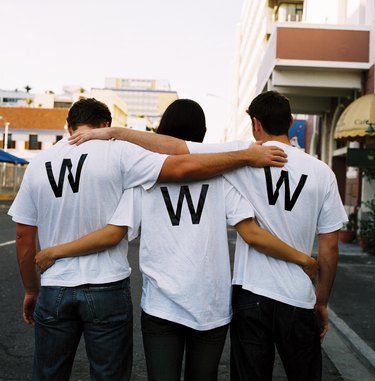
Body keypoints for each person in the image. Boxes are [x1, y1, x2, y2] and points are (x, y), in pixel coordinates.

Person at [68, 91, 348, 381]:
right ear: (290, 121)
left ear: (255, 124)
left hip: (198, 299)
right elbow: (308, 243)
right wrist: (315, 284)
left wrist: (114, 133)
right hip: (238, 302)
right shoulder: (303, 172)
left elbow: (174, 152)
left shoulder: (213, 164)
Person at [8, 97, 287, 381]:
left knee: (49, 373)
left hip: (125, 297)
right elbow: (184, 167)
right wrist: (302, 259)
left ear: (69, 127)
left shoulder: (42, 164)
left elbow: (26, 235)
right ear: (104, 124)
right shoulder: (134, 159)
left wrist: (39, 278)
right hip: (186, 298)